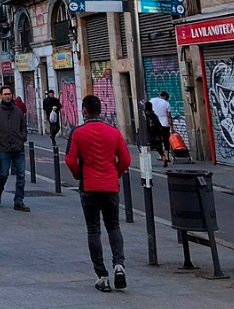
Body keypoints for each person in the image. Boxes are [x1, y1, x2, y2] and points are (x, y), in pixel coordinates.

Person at [66, 95, 131, 293]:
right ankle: (119, 265)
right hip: (110, 186)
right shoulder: (114, 132)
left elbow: (70, 160)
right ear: (100, 110)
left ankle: (102, 276)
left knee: (94, 230)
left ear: (84, 111)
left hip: (89, 187)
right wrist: (115, 174)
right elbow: (126, 159)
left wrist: (79, 174)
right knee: (114, 226)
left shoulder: (78, 133)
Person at [0, 86, 29, 212]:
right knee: (3, 174)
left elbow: (23, 125)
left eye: (9, 94)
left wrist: (23, 137)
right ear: (1, 96)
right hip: (4, 148)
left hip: (18, 148)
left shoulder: (17, 111)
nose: (8, 96)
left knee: (21, 175)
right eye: (5, 94)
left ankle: (19, 201)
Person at [148, 91, 173, 165]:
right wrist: (172, 127)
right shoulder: (166, 103)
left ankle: (161, 155)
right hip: (165, 124)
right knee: (166, 140)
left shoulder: (152, 100)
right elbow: (169, 116)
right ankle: (167, 156)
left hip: (155, 125)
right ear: (165, 97)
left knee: (157, 140)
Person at [143, 101, 169, 167]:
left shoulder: (145, 116)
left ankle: (146, 162)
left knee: (146, 148)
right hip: (157, 134)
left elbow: (145, 126)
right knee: (159, 147)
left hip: (149, 134)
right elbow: (158, 125)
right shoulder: (154, 115)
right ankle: (163, 157)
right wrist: (159, 134)